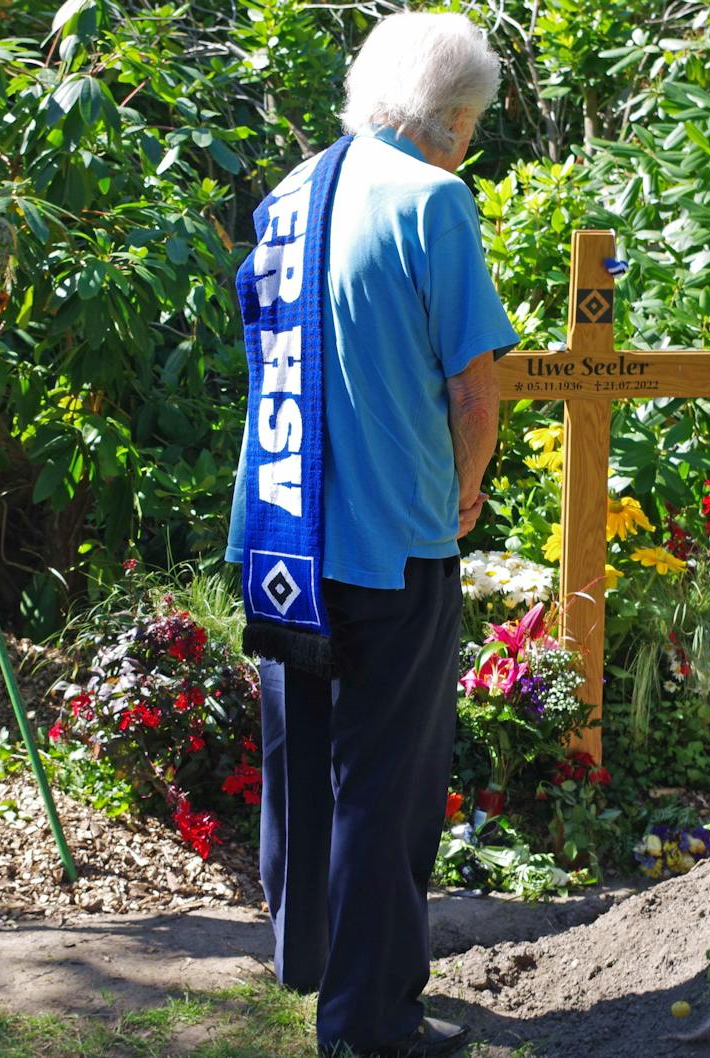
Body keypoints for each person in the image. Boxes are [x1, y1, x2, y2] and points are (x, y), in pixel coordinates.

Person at [224, 12, 517, 1058]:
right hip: (391, 539)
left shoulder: (288, 194)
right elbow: (474, 385)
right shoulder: (435, 200)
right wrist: (466, 492)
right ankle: (365, 1020)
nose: (470, 143)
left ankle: (306, 959)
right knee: (386, 785)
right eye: (474, 124)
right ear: (447, 121)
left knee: (302, 761)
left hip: (278, 535)